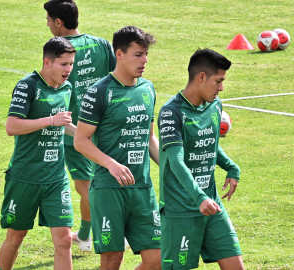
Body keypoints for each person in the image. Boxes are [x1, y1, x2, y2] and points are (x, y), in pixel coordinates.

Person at [74, 26, 161, 270]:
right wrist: (111, 164)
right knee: (112, 260)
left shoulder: (147, 89)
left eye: (146, 54)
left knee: (157, 260)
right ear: (119, 54)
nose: (144, 60)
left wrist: (170, 167)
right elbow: (80, 140)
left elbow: (150, 138)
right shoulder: (99, 92)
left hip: (143, 188)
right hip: (109, 189)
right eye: (138, 54)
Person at [157, 48, 244, 269]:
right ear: (201, 77)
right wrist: (199, 198)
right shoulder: (171, 112)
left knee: (236, 265)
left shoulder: (215, 106)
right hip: (181, 210)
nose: (222, 87)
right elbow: (176, 161)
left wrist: (231, 167)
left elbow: (210, 144)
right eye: (218, 80)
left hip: (211, 205)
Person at [44, 0, 116, 252]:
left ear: (59, 22)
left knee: (85, 185)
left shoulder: (58, 53)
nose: (48, 24)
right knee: (103, 179)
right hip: (105, 126)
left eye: (48, 20)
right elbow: (118, 79)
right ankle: (88, 233)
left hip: (75, 130)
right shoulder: (101, 44)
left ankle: (92, 236)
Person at [0, 36, 76, 270]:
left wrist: (92, 137)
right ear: (47, 62)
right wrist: (51, 121)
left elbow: (65, 125)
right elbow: (12, 127)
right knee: (16, 237)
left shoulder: (67, 88)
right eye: (64, 64)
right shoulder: (28, 86)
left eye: (71, 64)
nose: (69, 70)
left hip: (55, 178)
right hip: (25, 176)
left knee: (64, 241)